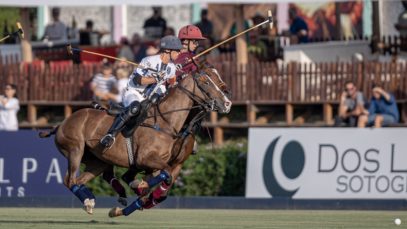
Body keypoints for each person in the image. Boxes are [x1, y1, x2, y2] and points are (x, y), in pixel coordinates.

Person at [100, 35, 183, 148]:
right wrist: (155, 78)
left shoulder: (171, 67)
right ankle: (110, 135)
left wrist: (179, 75)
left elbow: (172, 82)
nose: (180, 52)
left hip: (148, 97)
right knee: (135, 107)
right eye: (177, 50)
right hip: (134, 92)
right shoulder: (148, 61)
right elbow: (138, 80)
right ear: (168, 50)